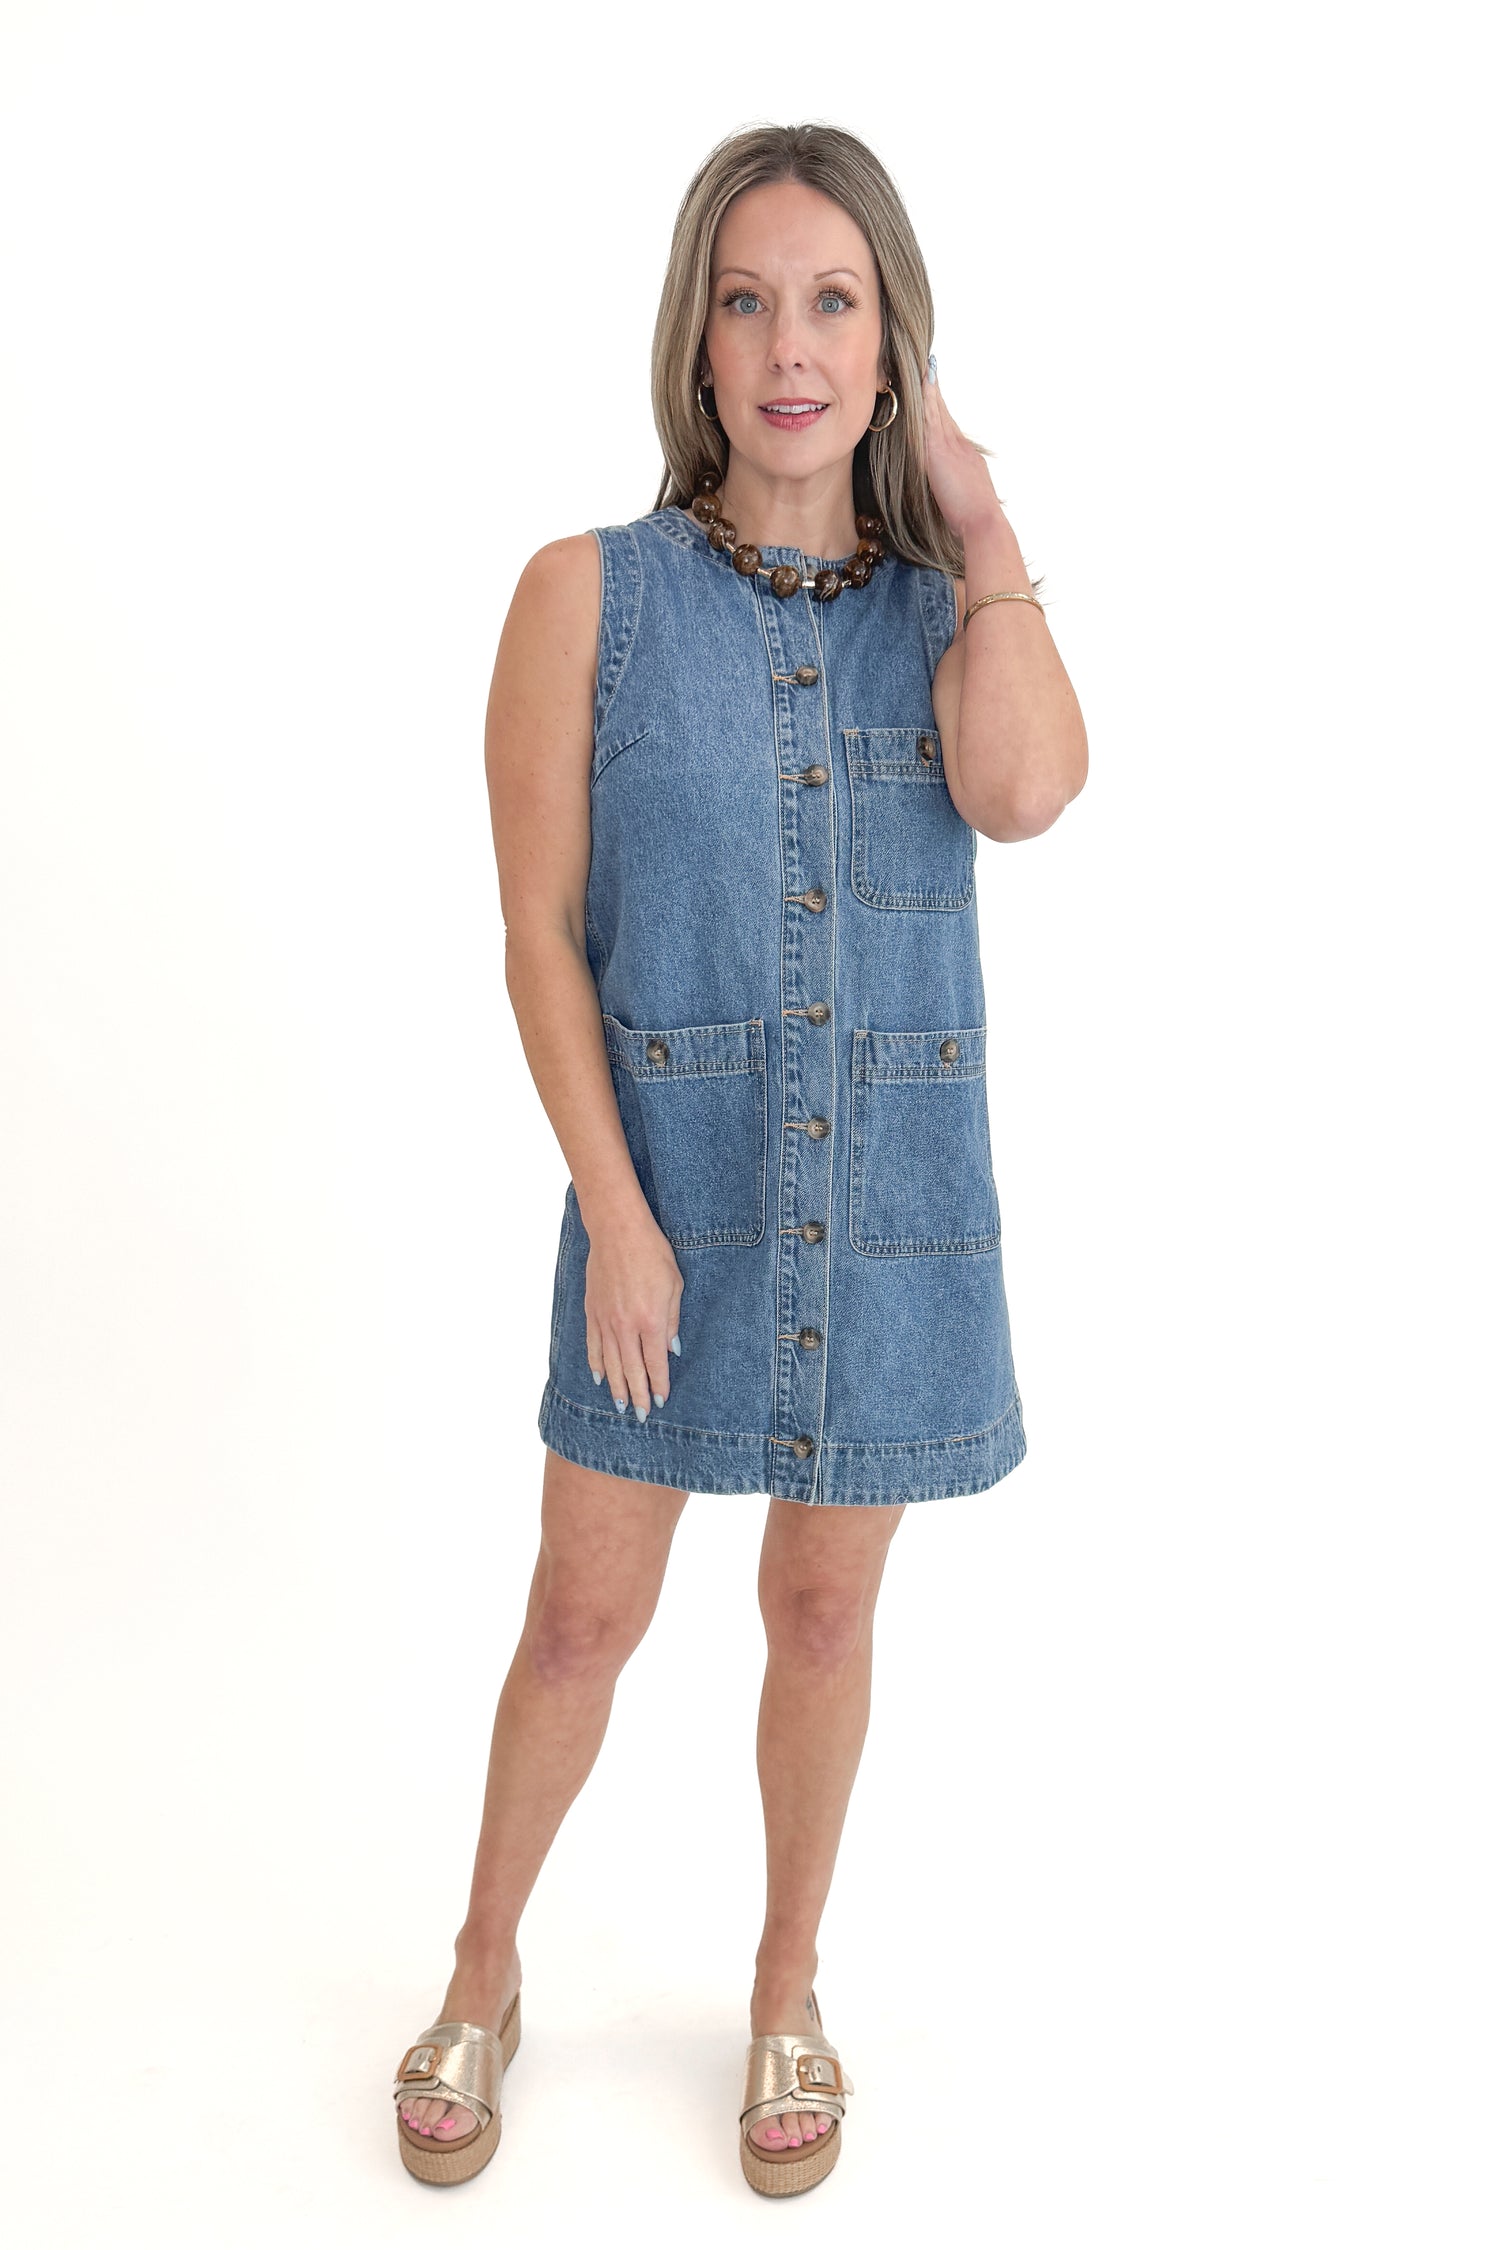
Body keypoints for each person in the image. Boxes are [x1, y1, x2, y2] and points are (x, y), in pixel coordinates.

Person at [390, 120, 1088, 2198]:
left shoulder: (948, 616)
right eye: (750, 301)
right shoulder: (582, 598)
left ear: (892, 349)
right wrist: (616, 1212)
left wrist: (980, 510)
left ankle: (788, 1986)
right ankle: (484, 1963)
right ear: (697, 340)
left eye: (835, 304)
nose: (792, 347)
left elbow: (1031, 791)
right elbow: (538, 932)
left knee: (819, 1612)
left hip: (885, 1218)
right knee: (581, 1618)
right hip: (664, 1205)